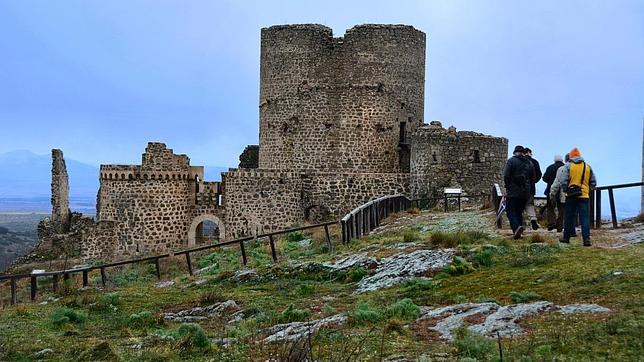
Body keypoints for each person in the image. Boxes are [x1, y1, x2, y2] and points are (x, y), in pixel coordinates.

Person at [559, 147, 596, 246]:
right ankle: (586, 239)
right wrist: (587, 190)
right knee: (584, 218)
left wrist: (566, 189)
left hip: (571, 195)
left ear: (571, 156)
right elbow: (593, 182)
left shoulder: (568, 166)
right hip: (584, 196)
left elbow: (563, 181)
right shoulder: (587, 166)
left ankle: (566, 238)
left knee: (569, 217)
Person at [503, 145, 535, 239]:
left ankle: (516, 227)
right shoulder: (530, 163)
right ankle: (518, 233)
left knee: (510, 210)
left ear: (515, 152)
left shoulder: (511, 161)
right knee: (519, 211)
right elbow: (533, 177)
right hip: (525, 192)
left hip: (513, 190)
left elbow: (506, 175)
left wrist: (507, 186)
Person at [543, 154, 565, 231]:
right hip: (562, 191)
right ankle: (560, 225)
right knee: (561, 209)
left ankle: (551, 223)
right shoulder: (565, 168)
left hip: (550, 190)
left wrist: (550, 182)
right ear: (562, 160)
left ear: (554, 160)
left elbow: (544, 178)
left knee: (550, 208)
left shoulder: (550, 167)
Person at [548, 154, 568, 232]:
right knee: (571, 211)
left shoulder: (559, 169)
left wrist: (551, 193)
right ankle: (571, 229)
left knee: (559, 210)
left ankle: (555, 225)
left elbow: (545, 178)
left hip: (561, 192)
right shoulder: (581, 167)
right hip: (576, 193)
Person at [524, 147, 542, 230]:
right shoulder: (534, 162)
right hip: (531, 187)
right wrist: (534, 181)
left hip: (518, 187)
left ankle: (518, 224)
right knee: (529, 204)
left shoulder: (517, 160)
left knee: (518, 206)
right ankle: (533, 219)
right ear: (529, 152)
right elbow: (539, 174)